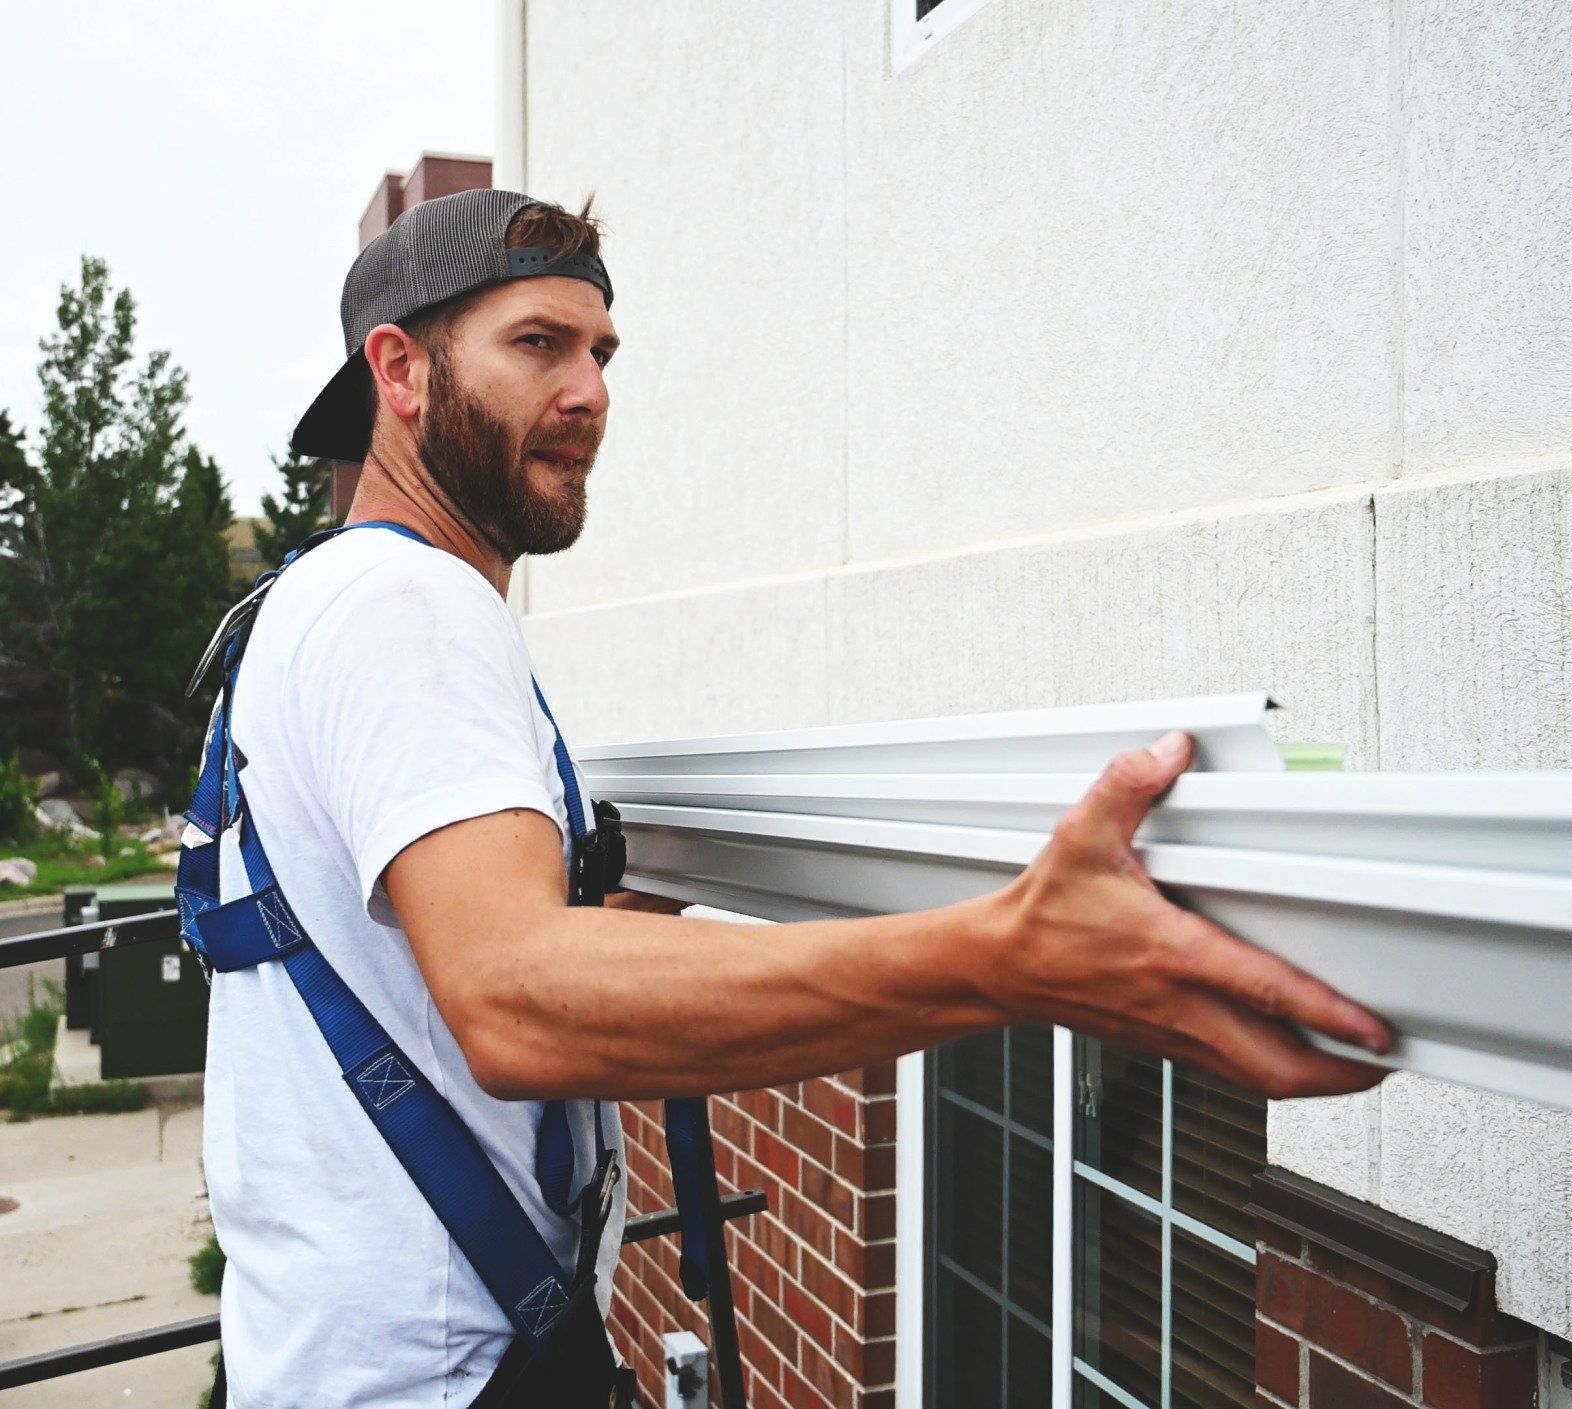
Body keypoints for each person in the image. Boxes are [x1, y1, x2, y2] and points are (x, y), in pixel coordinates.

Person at [186, 188, 1392, 1408]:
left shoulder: (309, 609)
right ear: (400, 369)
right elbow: (512, 1003)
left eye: (602, 352)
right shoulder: (411, 607)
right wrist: (1013, 954)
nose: (592, 390)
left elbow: (419, 973)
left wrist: (634, 891)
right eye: (537, 342)